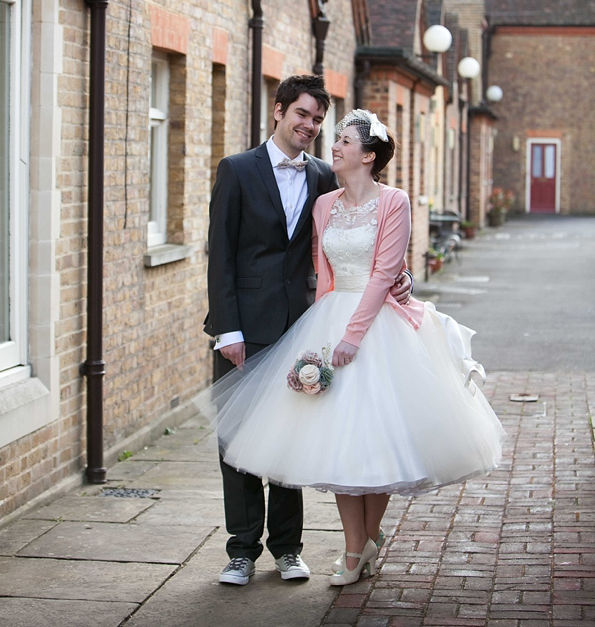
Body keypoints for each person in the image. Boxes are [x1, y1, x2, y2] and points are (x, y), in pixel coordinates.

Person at [202, 109, 505, 588]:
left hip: (380, 326)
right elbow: (323, 274)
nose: (332, 145)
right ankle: (352, 547)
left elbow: (386, 271)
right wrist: (317, 341)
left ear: (368, 155)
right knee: (339, 442)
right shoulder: (326, 203)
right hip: (330, 317)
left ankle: (362, 543)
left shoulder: (396, 201)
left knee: (381, 438)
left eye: (342, 139)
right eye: (331, 134)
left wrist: (356, 331)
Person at [204, 78, 416, 586]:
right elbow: (221, 255)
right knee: (238, 440)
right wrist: (227, 327)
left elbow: (361, 243)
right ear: (278, 110)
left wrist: (399, 278)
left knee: (295, 434)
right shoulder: (236, 170)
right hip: (245, 326)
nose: (311, 126)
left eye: (319, 120)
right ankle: (240, 551)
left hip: (303, 322)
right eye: (302, 114)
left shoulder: (326, 175)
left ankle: (287, 549)